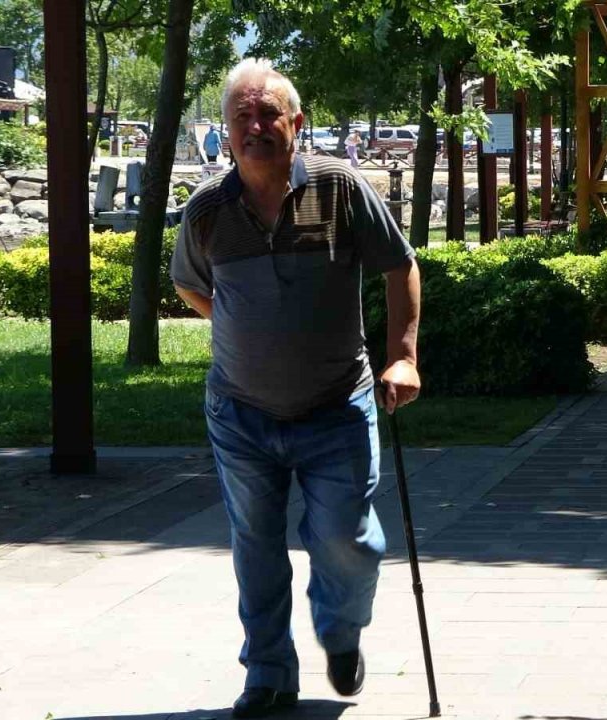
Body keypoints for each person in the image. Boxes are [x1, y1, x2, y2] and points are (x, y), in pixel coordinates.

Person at [170, 58, 421, 719]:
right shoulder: (207, 211)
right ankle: (268, 673)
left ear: (296, 123)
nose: (255, 126)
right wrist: (242, 326)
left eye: (268, 114)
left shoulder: (339, 188)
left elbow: (399, 266)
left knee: (346, 539)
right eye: (241, 117)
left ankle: (341, 632)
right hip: (240, 410)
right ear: (225, 133)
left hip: (337, 404)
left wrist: (402, 356)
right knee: (255, 544)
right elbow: (191, 286)